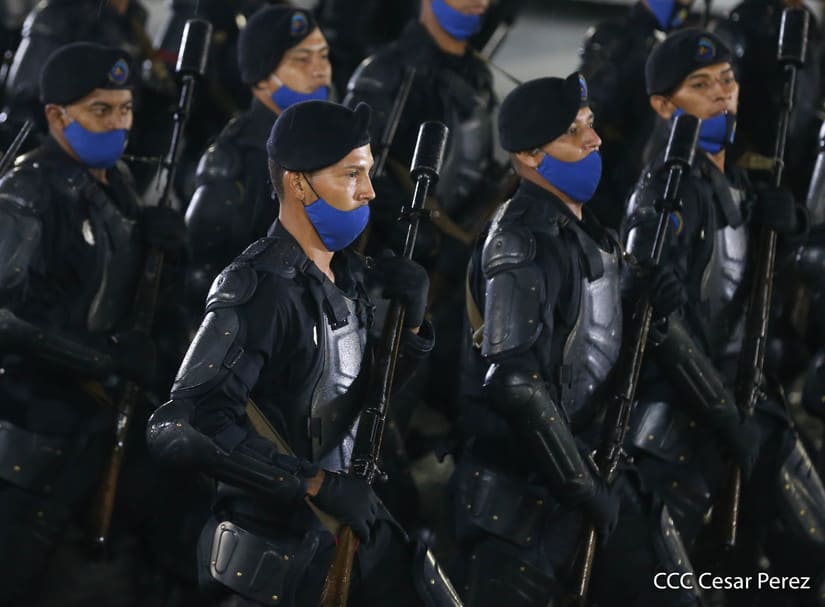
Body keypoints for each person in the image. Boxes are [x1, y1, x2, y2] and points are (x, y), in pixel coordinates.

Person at [148, 100, 461, 607]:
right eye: (351, 174)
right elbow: (182, 425)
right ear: (298, 184)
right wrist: (315, 485)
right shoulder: (262, 288)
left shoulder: (346, 276)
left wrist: (412, 326)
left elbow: (356, 396)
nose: (369, 190)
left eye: (368, 172)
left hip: (337, 535)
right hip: (274, 553)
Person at [452, 73, 699, 607]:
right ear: (530, 156)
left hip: (595, 463)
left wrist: (646, 307)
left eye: (589, 123)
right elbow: (515, 385)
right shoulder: (521, 243)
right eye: (573, 131)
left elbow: (592, 343)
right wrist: (584, 489)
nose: (594, 139)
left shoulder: (583, 229)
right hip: (530, 498)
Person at [623, 28, 825, 602]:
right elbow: (660, 320)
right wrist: (723, 412)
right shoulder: (667, 190)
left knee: (798, 555)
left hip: (747, 397)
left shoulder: (730, 177)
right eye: (700, 85)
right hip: (687, 418)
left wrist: (786, 230)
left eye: (727, 81)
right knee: (678, 582)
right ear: (664, 106)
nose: (721, 94)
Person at [0, 42, 186, 604]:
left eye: (125, 109)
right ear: (58, 116)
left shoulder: (118, 183)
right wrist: (103, 355)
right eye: (100, 110)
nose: (118, 124)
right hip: (29, 422)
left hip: (95, 418)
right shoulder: (28, 192)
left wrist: (167, 253)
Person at [185, 5, 333, 311]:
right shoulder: (235, 157)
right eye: (302, 59)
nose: (319, 70)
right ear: (262, 76)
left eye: (323, 56)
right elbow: (205, 273)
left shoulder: (326, 146)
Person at [2, 0, 176, 189]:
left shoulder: (133, 19)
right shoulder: (61, 12)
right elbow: (25, 103)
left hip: (109, 167)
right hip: (55, 172)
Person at [578, 0, 696, 230]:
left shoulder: (667, 45)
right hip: (601, 176)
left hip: (632, 176)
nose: (687, 5)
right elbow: (586, 107)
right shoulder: (616, 38)